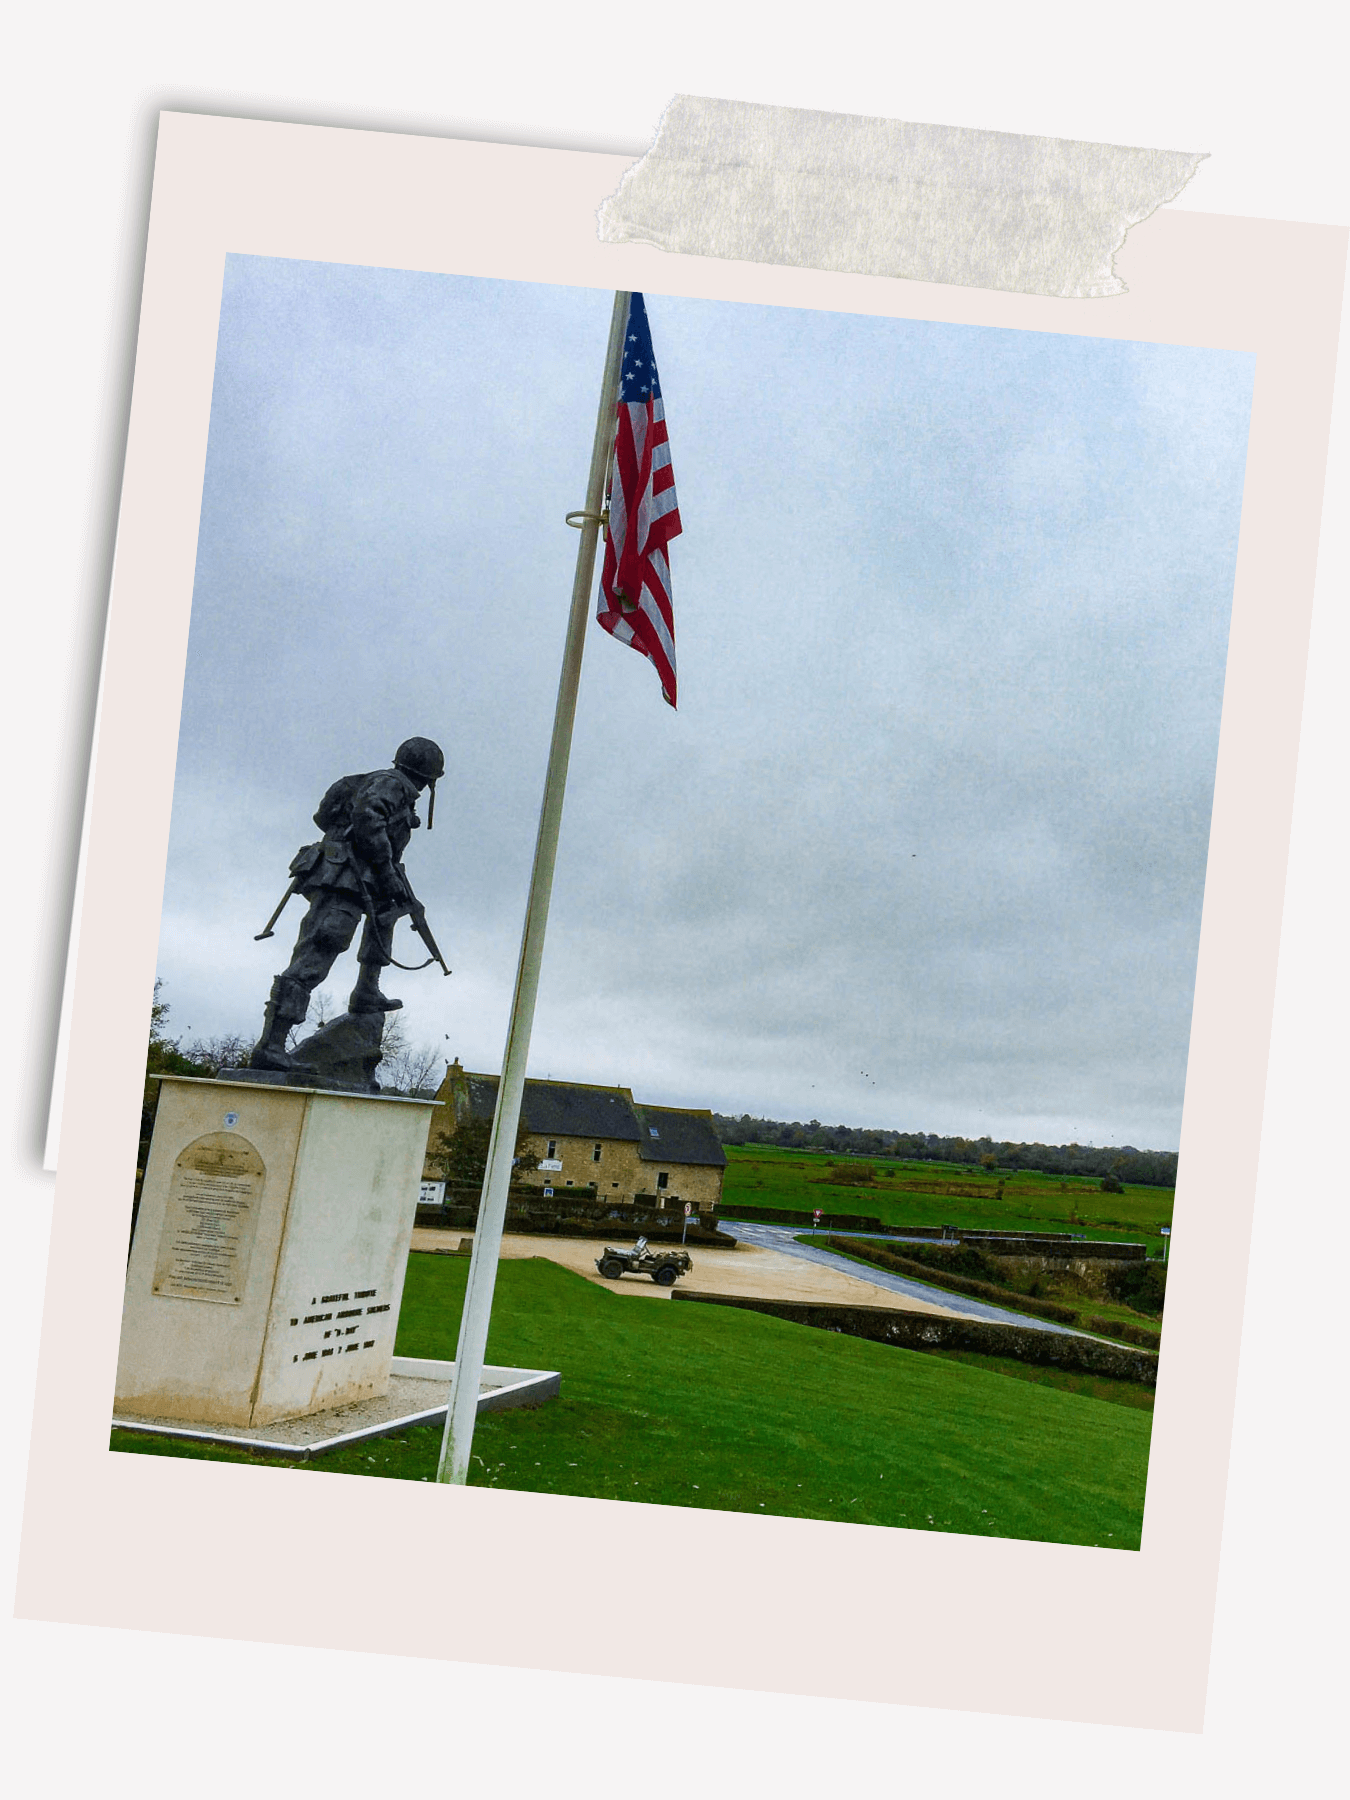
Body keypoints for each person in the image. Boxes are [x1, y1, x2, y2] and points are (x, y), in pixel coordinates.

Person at [249, 737, 445, 1071]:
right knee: (322, 947)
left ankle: (367, 992)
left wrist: (387, 875)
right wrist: (384, 868)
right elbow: (368, 817)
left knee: (388, 913)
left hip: (359, 875)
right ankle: (271, 1045)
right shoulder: (391, 785)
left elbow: (324, 816)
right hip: (344, 877)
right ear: (428, 778)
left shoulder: (385, 784)